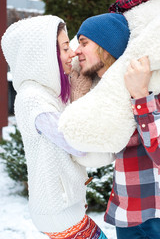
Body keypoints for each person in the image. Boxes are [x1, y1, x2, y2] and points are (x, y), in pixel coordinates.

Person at [58, 0, 160, 238]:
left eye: (84, 43)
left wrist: (140, 97)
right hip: (125, 214)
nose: (76, 51)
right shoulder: (102, 94)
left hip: (154, 216)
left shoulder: (150, 84)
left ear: (107, 46)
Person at [1, 15, 108, 238]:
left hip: (67, 207)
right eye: (65, 48)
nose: (72, 54)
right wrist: (79, 99)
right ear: (43, 57)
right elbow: (77, 143)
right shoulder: (33, 99)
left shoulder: (50, 90)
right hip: (59, 210)